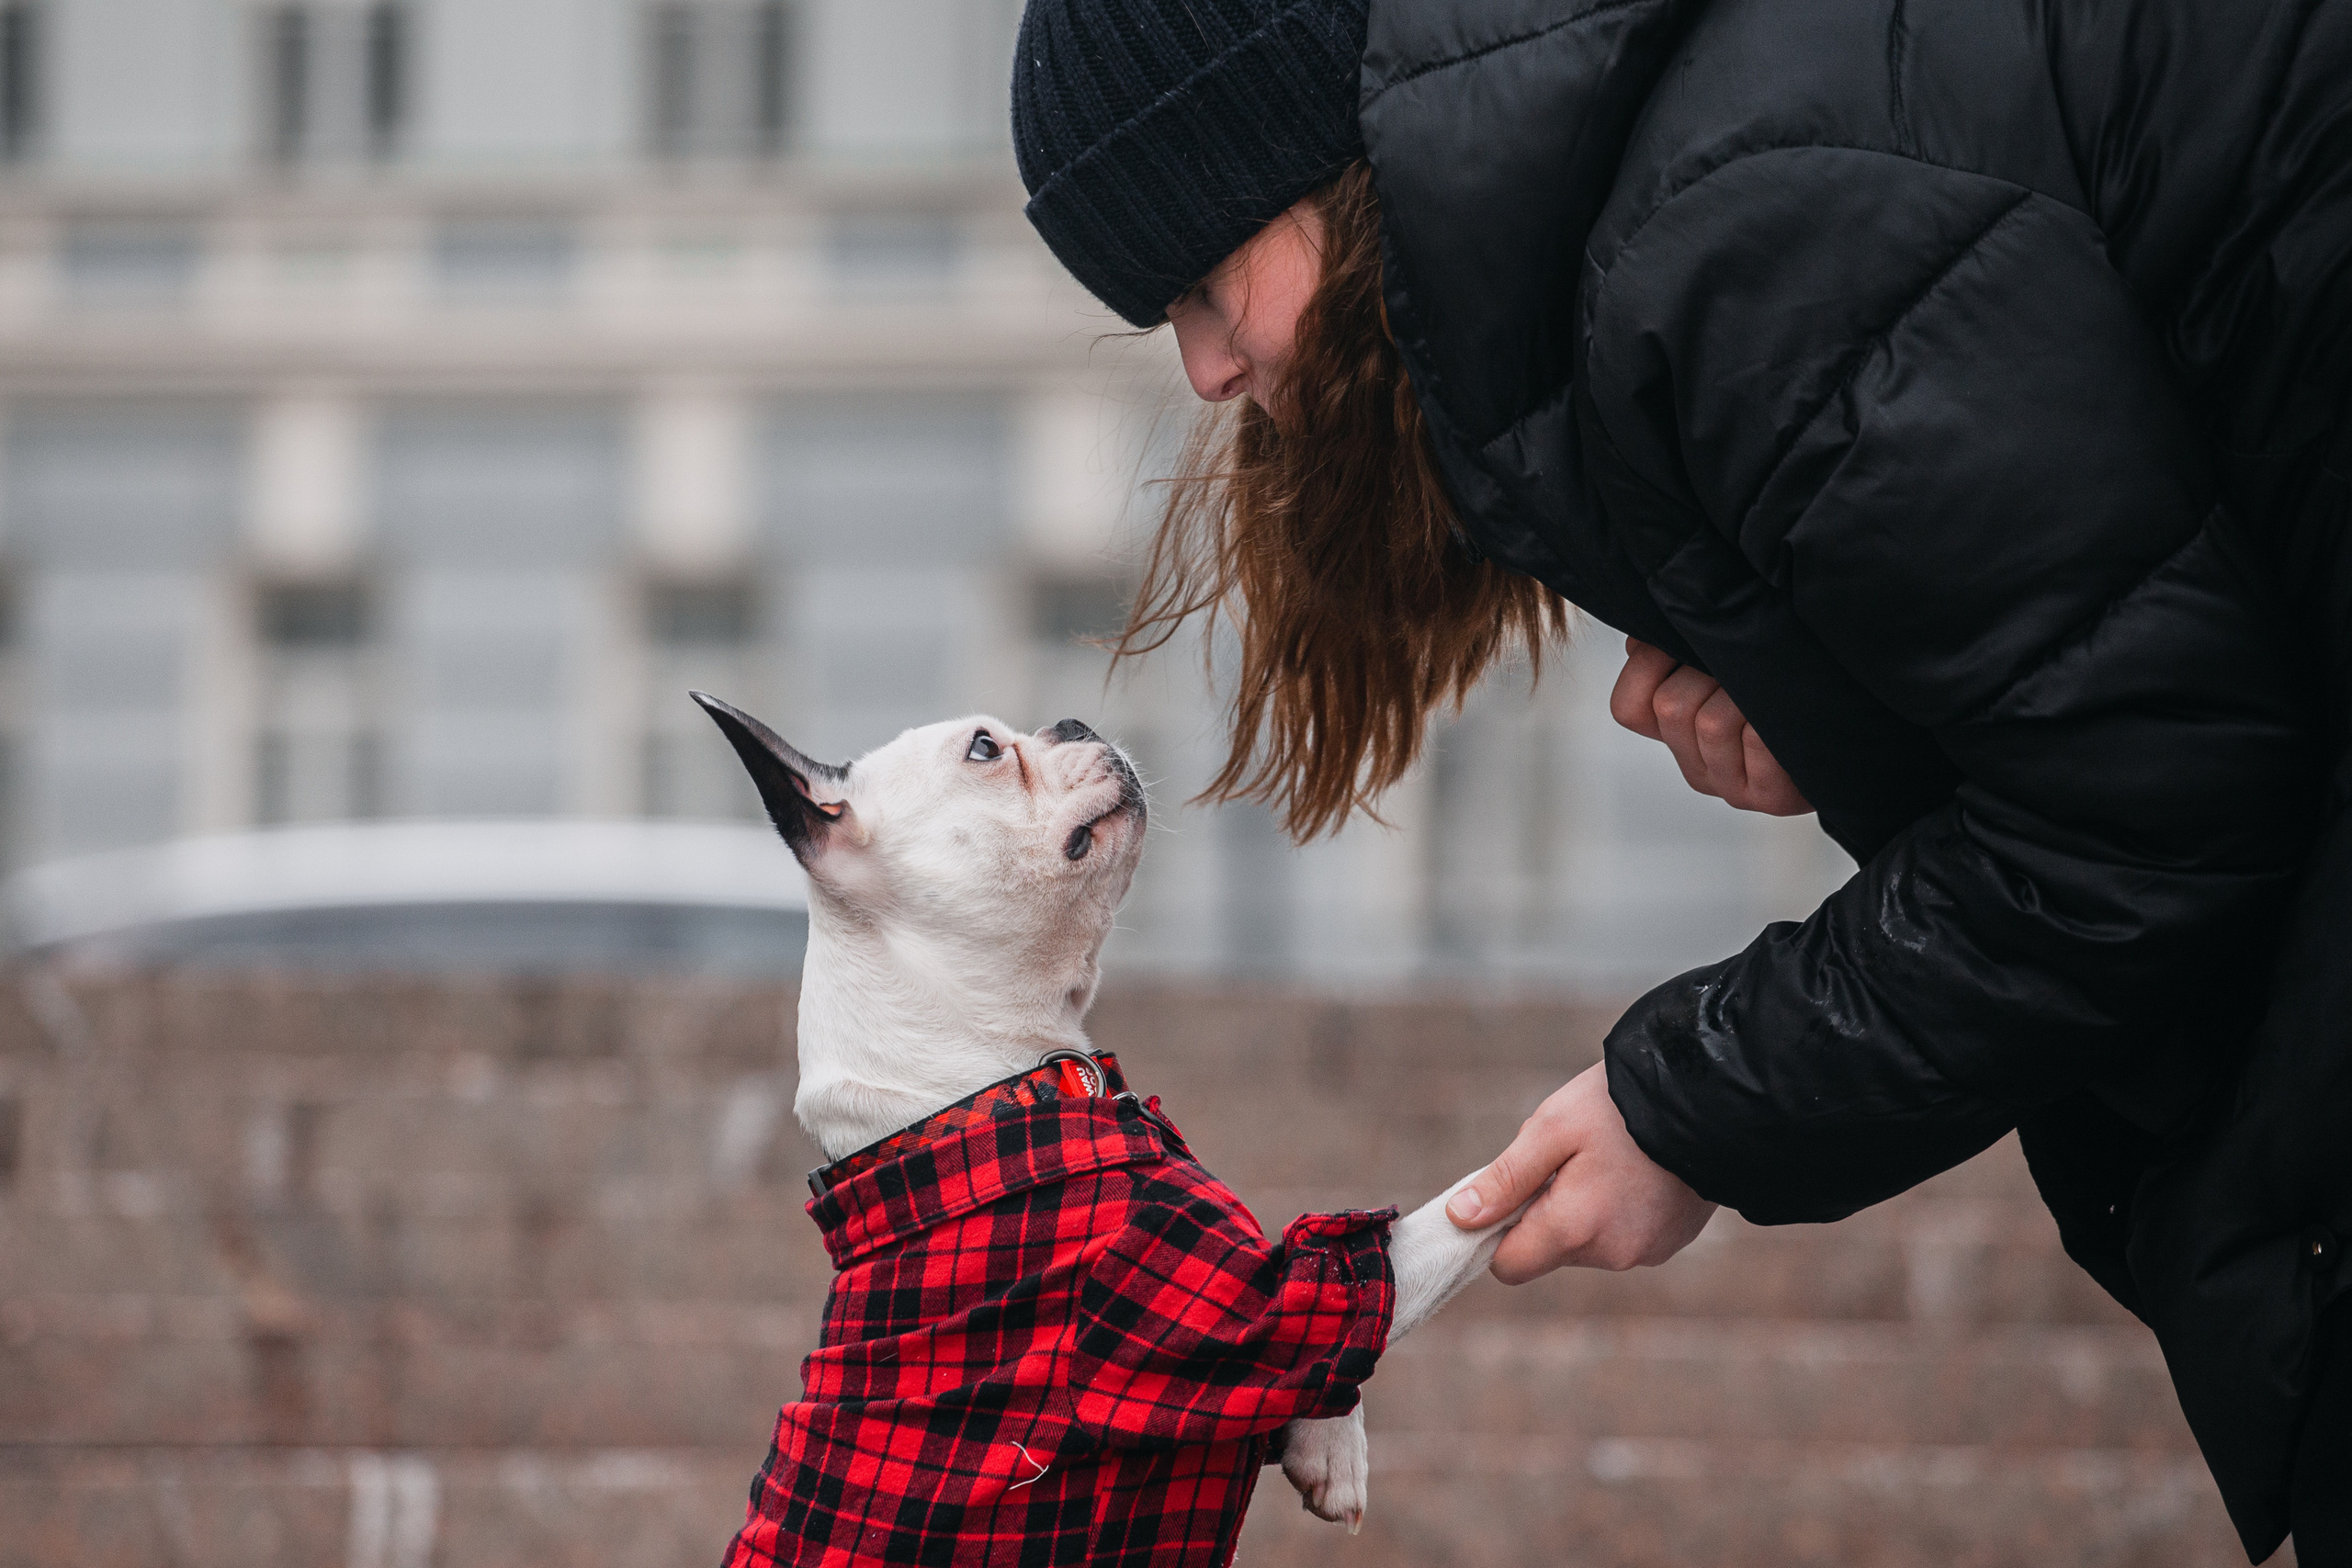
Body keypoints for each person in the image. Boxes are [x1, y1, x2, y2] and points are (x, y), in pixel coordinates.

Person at [1010, 0, 2352, 1561]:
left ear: (1324, 167)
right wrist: (1861, 712)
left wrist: (1695, 1106)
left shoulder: (1728, 234)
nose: (1205, 367)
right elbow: (2129, 670)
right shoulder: (1712, 151)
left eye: (1203, 277)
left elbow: (2153, 798)